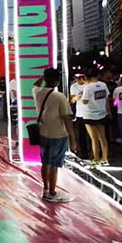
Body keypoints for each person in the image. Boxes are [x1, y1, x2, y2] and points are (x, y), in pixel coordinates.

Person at [31, 68, 78, 202]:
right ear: (57, 81)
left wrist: (43, 77)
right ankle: (52, 193)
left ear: (45, 79)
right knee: (54, 165)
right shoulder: (59, 97)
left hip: (43, 133)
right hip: (58, 135)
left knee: (45, 163)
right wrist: (73, 139)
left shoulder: (37, 92)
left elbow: (35, 84)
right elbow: (67, 119)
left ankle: (46, 190)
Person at [81, 69, 111, 166]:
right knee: (103, 138)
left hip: (90, 115)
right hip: (102, 113)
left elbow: (85, 101)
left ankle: (96, 159)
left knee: (94, 138)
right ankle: (105, 158)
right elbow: (107, 98)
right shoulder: (103, 85)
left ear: (87, 78)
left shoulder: (88, 87)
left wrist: (81, 98)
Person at [68, 74, 90, 160]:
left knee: (91, 135)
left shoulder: (88, 85)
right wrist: (75, 98)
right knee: (82, 134)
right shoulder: (74, 86)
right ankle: (83, 153)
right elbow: (72, 100)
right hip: (80, 113)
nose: (79, 79)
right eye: (77, 78)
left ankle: (92, 152)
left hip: (90, 112)